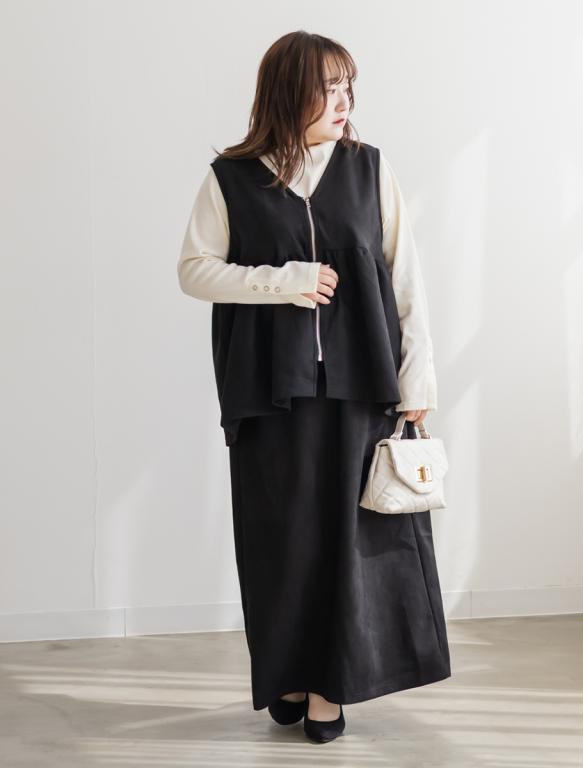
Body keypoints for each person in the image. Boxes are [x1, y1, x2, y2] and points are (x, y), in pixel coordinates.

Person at [178, 30, 451, 744]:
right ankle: (289, 676)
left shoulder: (368, 169)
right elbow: (194, 270)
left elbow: (406, 278)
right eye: (328, 87)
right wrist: (283, 281)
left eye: (347, 87)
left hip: (363, 386)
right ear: (287, 92)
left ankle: (332, 685)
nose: (344, 100)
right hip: (269, 392)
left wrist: (417, 375)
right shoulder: (232, 179)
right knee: (280, 540)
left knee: (351, 545)